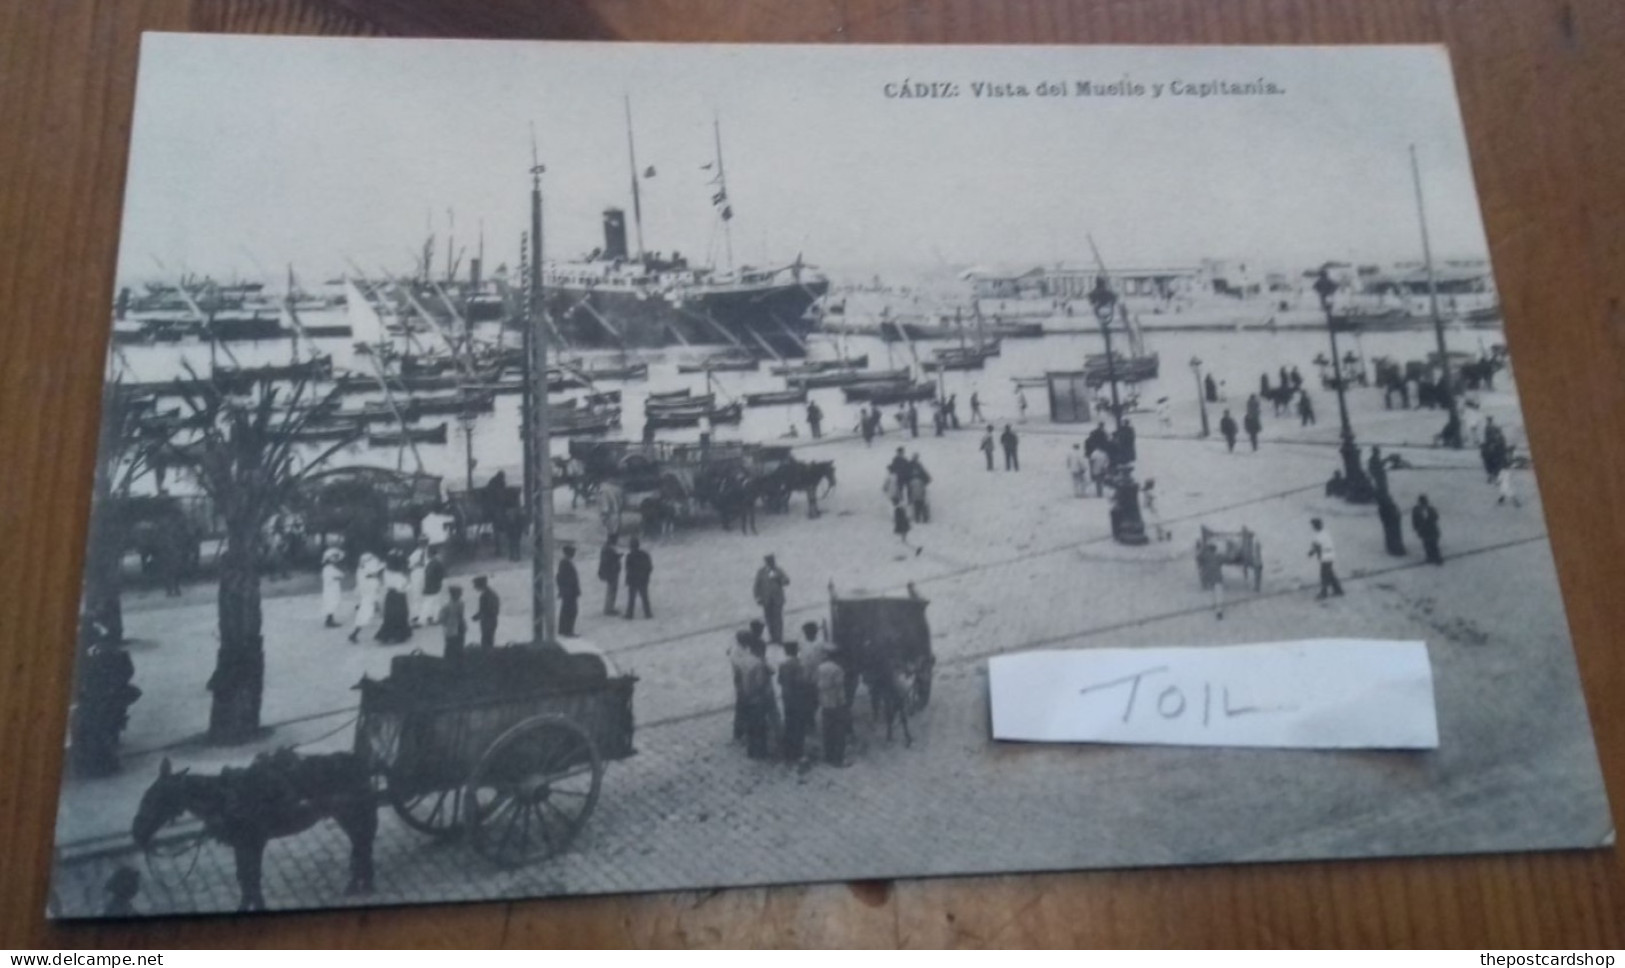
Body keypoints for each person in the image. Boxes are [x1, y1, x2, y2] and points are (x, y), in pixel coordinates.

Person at [777, 639, 815, 763]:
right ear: (797, 650)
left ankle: (788, 751)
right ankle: (798, 753)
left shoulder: (782, 665)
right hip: (798, 699)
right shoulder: (799, 665)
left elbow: (779, 681)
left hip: (786, 698)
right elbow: (801, 683)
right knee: (799, 726)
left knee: (789, 724)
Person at [740, 638, 775, 760]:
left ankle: (751, 749)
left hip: (746, 695)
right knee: (760, 725)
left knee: (751, 725)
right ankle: (760, 751)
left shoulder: (746, 660)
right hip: (758, 698)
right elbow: (760, 683)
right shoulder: (759, 664)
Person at [816, 651, 850, 767]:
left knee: (827, 731)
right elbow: (839, 687)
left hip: (824, 703)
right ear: (836, 657)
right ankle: (838, 759)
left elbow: (816, 683)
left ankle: (828, 756)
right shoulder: (838, 669)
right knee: (839, 732)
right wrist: (843, 703)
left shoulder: (820, 668)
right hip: (836, 703)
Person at [375, 553, 413, 644]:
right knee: (401, 614)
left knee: (390, 616)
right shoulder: (398, 575)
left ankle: (387, 635)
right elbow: (401, 588)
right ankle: (399, 636)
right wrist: (408, 585)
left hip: (390, 595)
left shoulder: (385, 572)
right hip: (399, 596)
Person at [347, 551, 383, 643]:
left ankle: (383, 629)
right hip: (369, 595)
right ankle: (354, 633)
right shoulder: (365, 573)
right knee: (366, 613)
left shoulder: (362, 570)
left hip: (370, 594)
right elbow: (373, 575)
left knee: (373, 608)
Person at [754, 554, 791, 643]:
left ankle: (779, 638)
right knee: (769, 619)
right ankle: (772, 637)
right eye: (769, 561)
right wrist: (758, 598)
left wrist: (779, 579)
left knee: (778, 619)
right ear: (766, 562)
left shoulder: (778, 570)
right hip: (766, 600)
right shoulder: (761, 572)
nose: (771, 562)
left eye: (772, 561)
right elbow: (756, 586)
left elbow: (787, 581)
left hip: (777, 599)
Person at [1308, 518, 1344, 599]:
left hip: (1326, 556)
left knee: (1324, 575)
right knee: (1330, 573)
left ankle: (1324, 593)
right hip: (1330, 555)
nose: (1312, 527)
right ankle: (1338, 590)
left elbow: (1317, 547)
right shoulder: (1325, 533)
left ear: (1315, 526)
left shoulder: (1319, 536)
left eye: (1313, 525)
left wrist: (1311, 553)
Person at [623, 536, 653, 618]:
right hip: (643, 580)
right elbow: (649, 567)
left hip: (633, 581)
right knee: (645, 598)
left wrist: (627, 580)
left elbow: (628, 570)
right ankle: (648, 614)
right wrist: (646, 576)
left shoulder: (629, 556)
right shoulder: (645, 555)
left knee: (631, 599)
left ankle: (629, 614)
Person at [1197, 538, 1225, 619]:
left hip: (1208, 578)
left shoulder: (1204, 555)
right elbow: (1229, 558)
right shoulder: (1218, 556)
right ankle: (1219, 611)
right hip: (1217, 578)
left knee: (1212, 593)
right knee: (1218, 594)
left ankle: (1214, 607)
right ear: (1214, 549)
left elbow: (1198, 558)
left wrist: (1202, 548)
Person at [1412, 494, 1444, 565]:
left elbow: (1435, 517)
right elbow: (1435, 517)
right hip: (1428, 530)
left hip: (1428, 530)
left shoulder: (1419, 510)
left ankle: (1434, 557)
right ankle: (1433, 557)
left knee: (1430, 544)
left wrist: (1417, 528)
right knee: (1430, 544)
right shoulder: (1426, 509)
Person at [556, 543, 580, 637]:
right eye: (573, 551)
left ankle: (563, 629)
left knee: (565, 610)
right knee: (571, 611)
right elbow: (566, 578)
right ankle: (568, 631)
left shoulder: (564, 562)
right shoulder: (566, 562)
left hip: (567, 591)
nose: (574, 553)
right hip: (570, 591)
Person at [1376, 489, 1407, 556]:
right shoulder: (1385, 507)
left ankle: (1395, 549)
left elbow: (1396, 513)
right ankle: (1395, 550)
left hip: (1392, 524)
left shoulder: (1389, 506)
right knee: (1393, 537)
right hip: (1391, 525)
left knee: (1393, 537)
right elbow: (1385, 516)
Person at [440, 585, 467, 660]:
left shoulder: (460, 603)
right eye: (459, 593)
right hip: (452, 629)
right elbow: (442, 619)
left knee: (458, 646)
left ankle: (457, 660)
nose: (461, 595)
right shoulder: (447, 606)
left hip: (458, 627)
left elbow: (461, 615)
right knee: (451, 647)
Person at [472, 575, 500, 649]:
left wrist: (476, 617)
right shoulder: (493, 593)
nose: (474, 587)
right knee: (490, 641)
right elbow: (495, 610)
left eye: (475, 585)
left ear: (480, 584)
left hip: (487, 622)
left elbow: (484, 611)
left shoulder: (484, 596)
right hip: (493, 620)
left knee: (485, 642)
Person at [320, 548, 345, 628]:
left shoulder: (332, 568)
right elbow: (337, 576)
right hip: (330, 589)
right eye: (333, 557)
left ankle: (330, 619)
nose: (335, 559)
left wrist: (339, 576)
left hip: (334, 588)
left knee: (334, 602)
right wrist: (338, 576)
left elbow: (341, 575)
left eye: (335, 558)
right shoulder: (328, 569)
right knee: (331, 603)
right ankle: (329, 620)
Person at [408, 537, 430, 626]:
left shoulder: (425, 552)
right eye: (424, 542)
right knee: (417, 595)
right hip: (418, 574)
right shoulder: (417, 553)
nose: (425, 544)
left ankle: (424, 616)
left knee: (424, 595)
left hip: (421, 574)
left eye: (426, 542)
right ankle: (415, 617)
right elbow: (416, 564)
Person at [598, 535, 622, 616]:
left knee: (611, 590)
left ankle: (609, 608)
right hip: (612, 572)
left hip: (610, 572)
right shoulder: (608, 549)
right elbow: (610, 560)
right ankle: (609, 609)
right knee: (611, 591)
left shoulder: (606, 548)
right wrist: (617, 557)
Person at [421, 546, 445, 626]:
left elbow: (430, 574)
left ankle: (429, 618)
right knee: (434, 602)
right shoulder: (436, 563)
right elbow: (441, 575)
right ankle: (434, 618)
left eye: (428, 554)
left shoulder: (431, 563)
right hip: (434, 585)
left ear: (431, 554)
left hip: (430, 585)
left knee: (429, 603)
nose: (427, 555)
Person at [907, 453, 931, 523]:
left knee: (915, 502)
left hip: (912, 486)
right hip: (920, 486)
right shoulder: (918, 466)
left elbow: (927, 477)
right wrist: (924, 483)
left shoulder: (911, 465)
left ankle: (917, 517)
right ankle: (923, 517)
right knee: (921, 502)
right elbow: (927, 477)